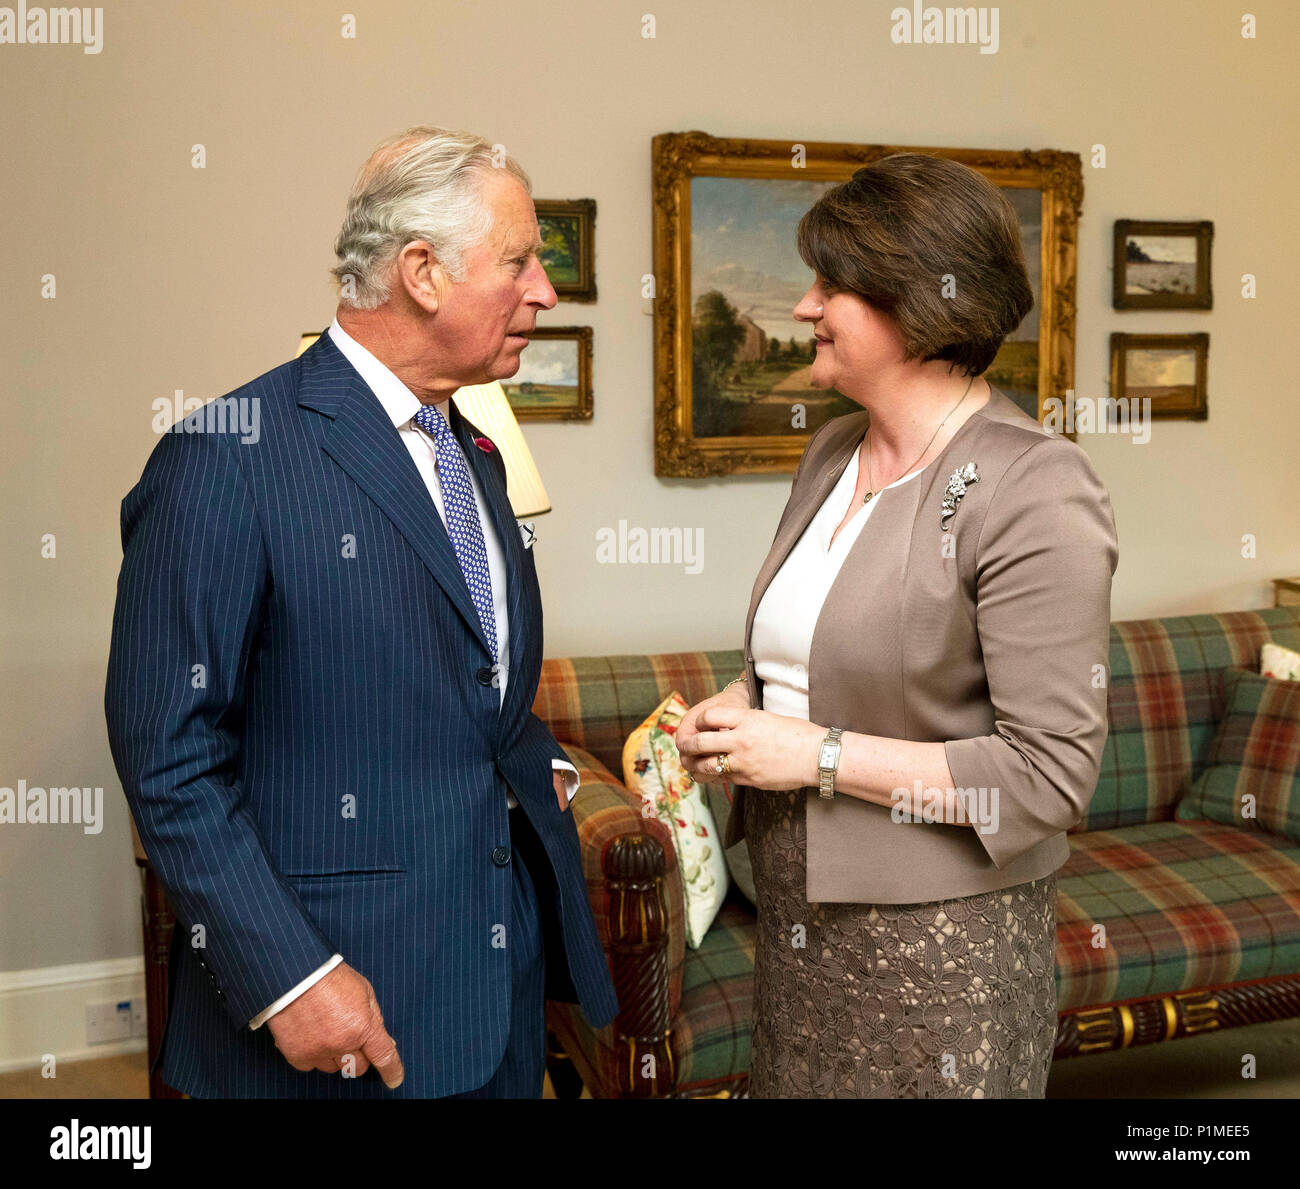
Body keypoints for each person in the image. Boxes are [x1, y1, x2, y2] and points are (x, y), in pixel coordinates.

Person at [105, 126, 617, 1098]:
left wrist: (530, 757)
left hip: (496, 995)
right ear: (421, 272)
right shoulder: (227, 458)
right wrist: (289, 977)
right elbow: (167, 755)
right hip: (335, 1000)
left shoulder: (476, 453)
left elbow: (467, 678)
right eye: (520, 261)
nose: (545, 292)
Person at [677, 153, 1118, 1099]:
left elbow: (1048, 779)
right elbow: (806, 652)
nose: (804, 307)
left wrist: (816, 756)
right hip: (799, 922)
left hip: (940, 952)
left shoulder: (1036, 483)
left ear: (915, 305)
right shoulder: (834, 446)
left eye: (831, 284)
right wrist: (738, 705)